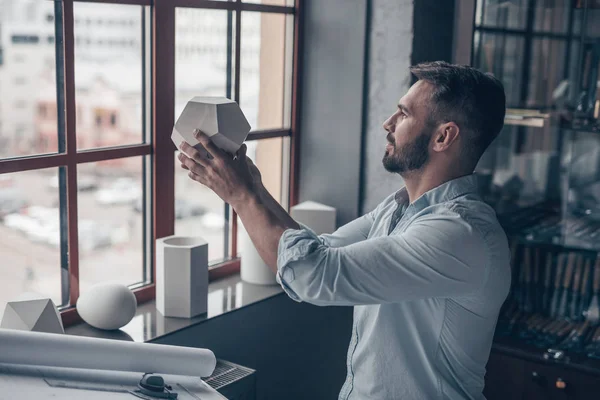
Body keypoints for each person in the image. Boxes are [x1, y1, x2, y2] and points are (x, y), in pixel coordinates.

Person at [177, 61, 511, 400]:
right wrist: (253, 186)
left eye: (404, 114)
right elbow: (317, 251)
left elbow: (312, 275)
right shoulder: (398, 209)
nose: (388, 123)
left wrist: (240, 196)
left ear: (443, 136)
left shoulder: (459, 235)